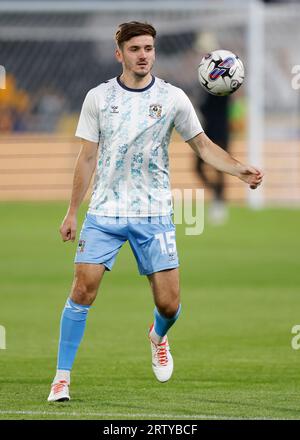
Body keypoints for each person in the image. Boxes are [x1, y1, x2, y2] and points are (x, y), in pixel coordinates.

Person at [47, 21, 263, 402]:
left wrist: (239, 169)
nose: (143, 55)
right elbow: (86, 158)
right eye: (135, 49)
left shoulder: (173, 97)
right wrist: (71, 212)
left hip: (154, 213)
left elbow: (203, 146)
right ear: (120, 54)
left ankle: (157, 335)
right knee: (82, 290)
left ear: (154, 52)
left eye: (148, 48)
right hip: (105, 212)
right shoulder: (98, 97)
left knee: (169, 304)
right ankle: (61, 378)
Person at [196, 92, 230, 224]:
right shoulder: (206, 86)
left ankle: (220, 202)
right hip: (206, 133)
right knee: (197, 168)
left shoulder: (223, 88)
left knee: (220, 169)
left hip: (220, 132)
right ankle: (217, 195)